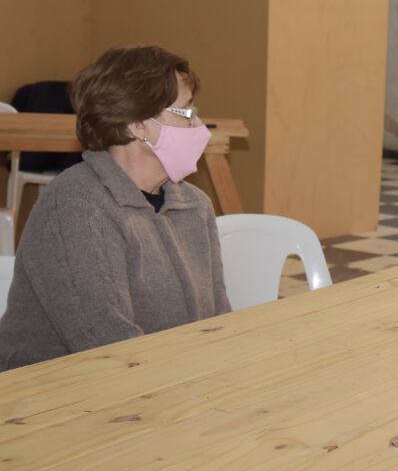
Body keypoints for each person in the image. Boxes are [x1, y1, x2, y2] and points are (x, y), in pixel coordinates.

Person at [0, 46, 231, 371]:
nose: (201, 126)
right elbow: (108, 348)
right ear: (138, 124)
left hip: (160, 389)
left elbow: (217, 321)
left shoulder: (194, 205)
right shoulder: (75, 207)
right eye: (187, 113)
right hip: (52, 399)